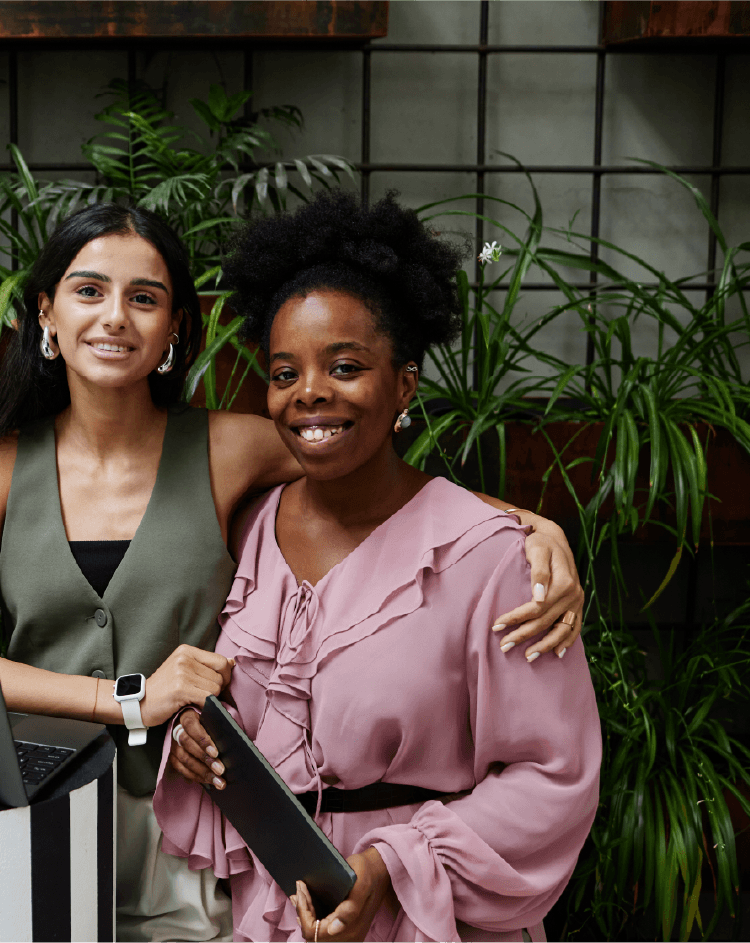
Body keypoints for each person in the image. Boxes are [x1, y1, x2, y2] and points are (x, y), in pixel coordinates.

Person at [0, 203, 586, 942]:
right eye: (88, 291)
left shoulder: (230, 448)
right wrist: (131, 700)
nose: (114, 317)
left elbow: (367, 469)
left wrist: (530, 525)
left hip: (188, 835)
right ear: (46, 311)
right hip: (36, 809)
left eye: (143, 297)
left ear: (176, 325)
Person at [158, 190, 603, 943]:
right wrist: (198, 740)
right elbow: (262, 717)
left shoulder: (492, 556)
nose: (310, 394)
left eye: (345, 365)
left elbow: (553, 774)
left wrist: (393, 863)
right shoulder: (251, 525)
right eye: (284, 370)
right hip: (280, 914)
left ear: (404, 385)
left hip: (426, 919)